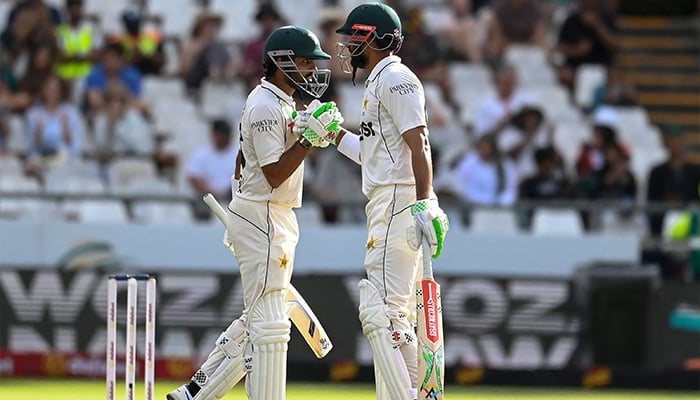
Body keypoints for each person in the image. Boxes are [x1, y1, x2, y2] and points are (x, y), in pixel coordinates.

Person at [166, 25, 332, 400]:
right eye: (305, 61)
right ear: (280, 62)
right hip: (263, 216)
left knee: (259, 318)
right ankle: (205, 394)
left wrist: (309, 130)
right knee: (267, 323)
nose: (312, 70)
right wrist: (308, 139)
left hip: (270, 216)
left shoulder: (279, 102)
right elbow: (273, 174)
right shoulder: (265, 106)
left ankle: (194, 392)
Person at [294, 3, 450, 398]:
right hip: (388, 198)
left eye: (353, 38)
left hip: (398, 200)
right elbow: (373, 154)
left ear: (374, 37)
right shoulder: (377, 82)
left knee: (383, 313)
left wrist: (425, 200)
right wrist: (332, 135)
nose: (347, 47)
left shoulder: (396, 78)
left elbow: (420, 142)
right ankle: (416, 393)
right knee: (395, 315)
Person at [186, 119, 239, 221]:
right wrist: (209, 191)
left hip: (231, 195)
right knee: (202, 202)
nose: (224, 137)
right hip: (207, 196)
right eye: (222, 134)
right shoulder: (202, 154)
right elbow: (194, 178)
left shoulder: (238, 154)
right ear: (215, 134)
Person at [54, 0, 102, 81]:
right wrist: (83, 56)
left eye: (77, 5)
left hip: (86, 78)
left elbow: (96, 55)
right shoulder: (60, 31)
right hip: (64, 79)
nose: (75, 8)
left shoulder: (91, 29)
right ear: (67, 8)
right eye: (71, 5)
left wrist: (71, 56)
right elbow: (60, 56)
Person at [116, 9, 165, 76]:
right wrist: (132, 58)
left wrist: (146, 55)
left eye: (135, 24)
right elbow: (114, 62)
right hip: (127, 75)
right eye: (130, 24)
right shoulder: (119, 40)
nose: (133, 27)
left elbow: (161, 60)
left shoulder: (152, 37)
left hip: (150, 74)